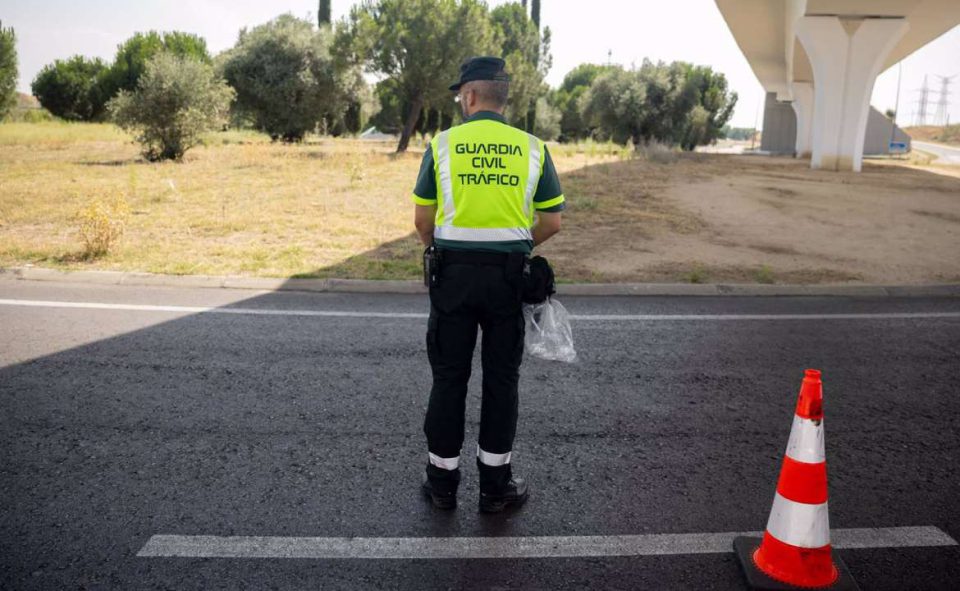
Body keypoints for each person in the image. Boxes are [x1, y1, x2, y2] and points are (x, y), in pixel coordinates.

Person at [410, 56, 565, 513]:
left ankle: (442, 485)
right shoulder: (533, 148)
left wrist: (444, 248)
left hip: (453, 277)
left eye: (460, 94)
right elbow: (551, 221)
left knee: (449, 377)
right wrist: (516, 245)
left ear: (471, 95)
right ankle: (495, 488)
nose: (460, 100)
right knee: (501, 380)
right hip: (508, 279)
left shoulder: (442, 145)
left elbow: (423, 220)